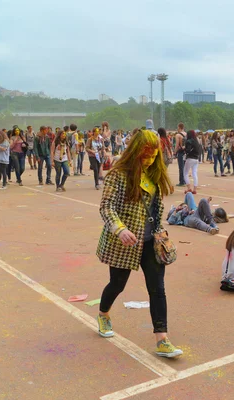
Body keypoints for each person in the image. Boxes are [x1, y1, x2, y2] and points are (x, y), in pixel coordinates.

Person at [96, 129, 181, 357]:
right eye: (145, 156)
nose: (150, 160)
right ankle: (103, 314)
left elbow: (156, 209)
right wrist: (120, 229)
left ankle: (162, 339)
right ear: (135, 151)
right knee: (117, 284)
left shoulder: (154, 174)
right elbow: (106, 207)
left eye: (154, 156)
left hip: (150, 242)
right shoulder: (118, 174)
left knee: (158, 289)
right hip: (124, 243)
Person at [183, 130, 200, 194]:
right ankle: (195, 189)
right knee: (194, 173)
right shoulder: (196, 141)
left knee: (185, 173)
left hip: (190, 158)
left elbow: (188, 150)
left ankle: (189, 188)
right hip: (196, 159)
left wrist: (183, 149)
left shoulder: (189, 141)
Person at [174, 123, 187, 187]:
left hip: (181, 152)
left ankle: (181, 181)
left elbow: (177, 145)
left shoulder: (178, 135)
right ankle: (185, 180)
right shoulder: (186, 134)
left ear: (179, 127)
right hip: (186, 152)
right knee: (185, 167)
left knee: (181, 167)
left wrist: (175, 152)